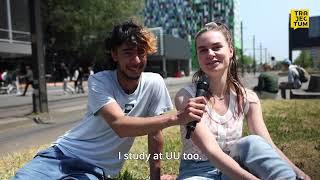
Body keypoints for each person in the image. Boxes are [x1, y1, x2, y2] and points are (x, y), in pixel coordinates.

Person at [13, 20, 206, 180]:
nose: (136, 60)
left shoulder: (154, 83)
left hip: (94, 170)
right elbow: (120, 125)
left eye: (141, 52)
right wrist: (177, 118)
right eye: (128, 53)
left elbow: (154, 134)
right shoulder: (100, 80)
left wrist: (155, 178)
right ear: (114, 54)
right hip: (60, 155)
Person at [175, 22, 310, 180]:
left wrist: (296, 171)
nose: (210, 53)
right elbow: (212, 151)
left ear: (230, 51)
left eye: (216, 47)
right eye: (203, 50)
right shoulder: (186, 97)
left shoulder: (248, 98)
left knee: (252, 142)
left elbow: (267, 144)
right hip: (197, 171)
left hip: (236, 164)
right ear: (198, 57)